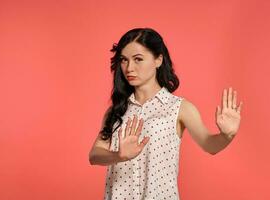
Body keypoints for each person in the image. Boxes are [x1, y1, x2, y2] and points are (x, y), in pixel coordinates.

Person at [89, 27, 243, 200]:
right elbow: (95, 155)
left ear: (158, 60)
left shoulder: (179, 108)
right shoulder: (116, 111)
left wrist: (227, 135)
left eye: (138, 59)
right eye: (124, 60)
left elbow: (210, 145)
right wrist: (119, 155)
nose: (129, 68)